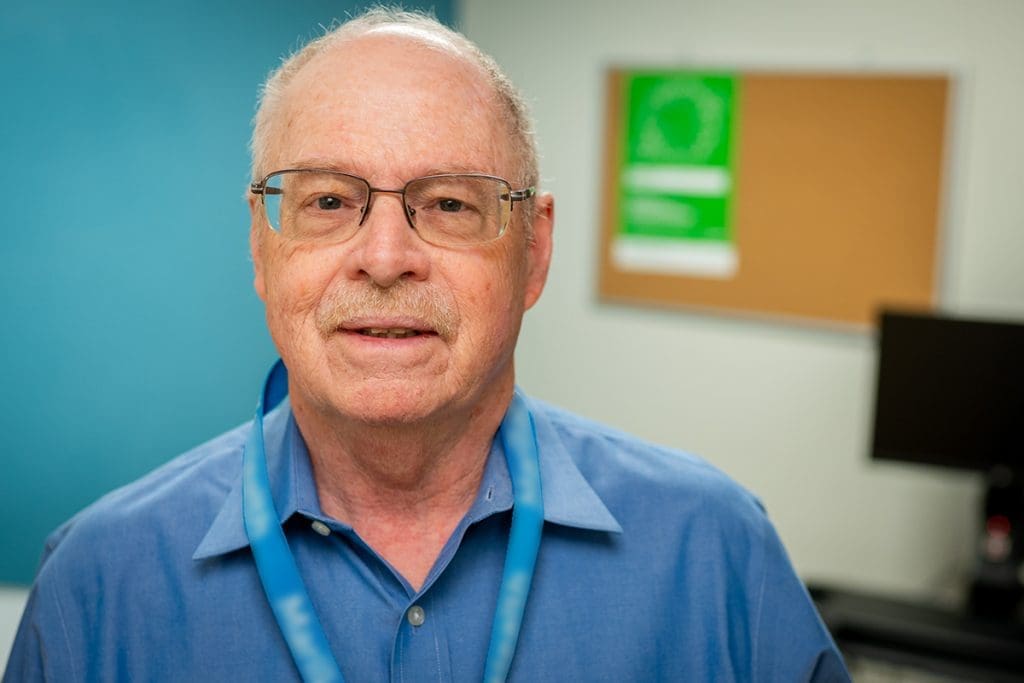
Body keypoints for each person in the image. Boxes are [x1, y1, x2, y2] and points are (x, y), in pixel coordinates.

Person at [4, 8, 849, 682]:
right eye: (329, 201)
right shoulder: (100, 587)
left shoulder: (715, 555)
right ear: (262, 250)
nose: (383, 257)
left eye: (449, 203)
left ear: (534, 251)